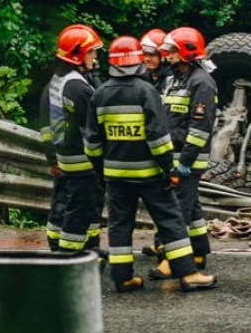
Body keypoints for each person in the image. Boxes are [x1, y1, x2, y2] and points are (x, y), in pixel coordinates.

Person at [84, 35, 217, 293]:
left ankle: (122, 278)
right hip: (149, 174)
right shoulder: (146, 91)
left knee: (119, 225)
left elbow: (92, 142)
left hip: (115, 175)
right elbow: (158, 138)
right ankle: (188, 275)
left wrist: (101, 172)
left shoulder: (100, 93)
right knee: (171, 220)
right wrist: (169, 168)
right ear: (137, 61)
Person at [148, 27, 217, 280]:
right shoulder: (176, 77)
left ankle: (172, 260)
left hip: (188, 159)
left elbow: (200, 129)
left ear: (188, 52)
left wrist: (184, 163)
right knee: (191, 206)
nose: (168, 54)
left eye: (173, 50)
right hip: (174, 155)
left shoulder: (202, 83)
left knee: (177, 211)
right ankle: (198, 252)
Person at [39, 24, 104, 255]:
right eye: (91, 52)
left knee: (62, 205)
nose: (94, 56)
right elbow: (93, 129)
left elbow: (46, 125)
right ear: (78, 54)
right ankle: (70, 257)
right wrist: (101, 165)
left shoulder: (56, 81)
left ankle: (76, 247)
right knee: (81, 210)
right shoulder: (78, 87)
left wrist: (51, 157)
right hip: (82, 161)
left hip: (64, 158)